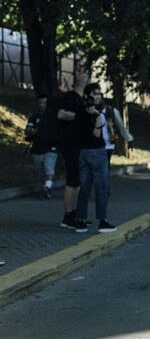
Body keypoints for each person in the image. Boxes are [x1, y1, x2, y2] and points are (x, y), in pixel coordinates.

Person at [73, 83, 115, 234]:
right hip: (97, 152)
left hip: (82, 153)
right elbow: (96, 134)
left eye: (99, 94)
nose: (97, 96)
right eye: (94, 94)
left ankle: (81, 221)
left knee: (84, 188)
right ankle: (102, 221)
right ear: (86, 96)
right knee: (101, 188)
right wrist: (98, 116)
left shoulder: (79, 112)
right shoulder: (97, 114)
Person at [57, 73, 89, 229]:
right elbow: (61, 114)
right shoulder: (71, 97)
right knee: (72, 180)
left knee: (77, 181)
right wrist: (81, 116)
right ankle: (68, 216)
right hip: (71, 145)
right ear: (84, 85)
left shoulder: (80, 99)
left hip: (78, 145)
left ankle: (74, 214)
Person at [25, 94, 59, 199]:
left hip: (51, 147)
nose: (42, 105)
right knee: (41, 170)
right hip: (37, 147)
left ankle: (47, 187)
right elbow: (27, 131)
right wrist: (35, 130)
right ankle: (45, 189)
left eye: (45, 102)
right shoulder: (34, 117)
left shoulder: (54, 116)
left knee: (49, 167)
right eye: (40, 103)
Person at [98, 94, 134, 165]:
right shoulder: (90, 111)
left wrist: (129, 139)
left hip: (108, 144)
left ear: (102, 100)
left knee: (104, 166)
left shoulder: (111, 111)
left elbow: (121, 126)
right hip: (96, 145)